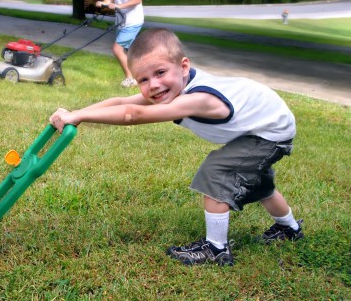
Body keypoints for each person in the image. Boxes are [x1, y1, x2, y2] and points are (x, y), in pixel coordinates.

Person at [49, 28, 304, 266]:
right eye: (143, 80)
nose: (154, 85)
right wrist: (76, 113)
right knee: (260, 184)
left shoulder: (198, 98)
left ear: (183, 66)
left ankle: (216, 249)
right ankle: (289, 229)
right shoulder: (177, 86)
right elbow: (121, 100)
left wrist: (79, 117)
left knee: (217, 171)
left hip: (269, 131)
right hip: (262, 126)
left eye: (160, 73)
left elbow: (132, 114)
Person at [96, 0, 144, 88]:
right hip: (120, 21)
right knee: (131, 52)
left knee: (117, 49)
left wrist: (118, 6)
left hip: (133, 19)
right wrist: (103, 3)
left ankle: (130, 79)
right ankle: (142, 76)